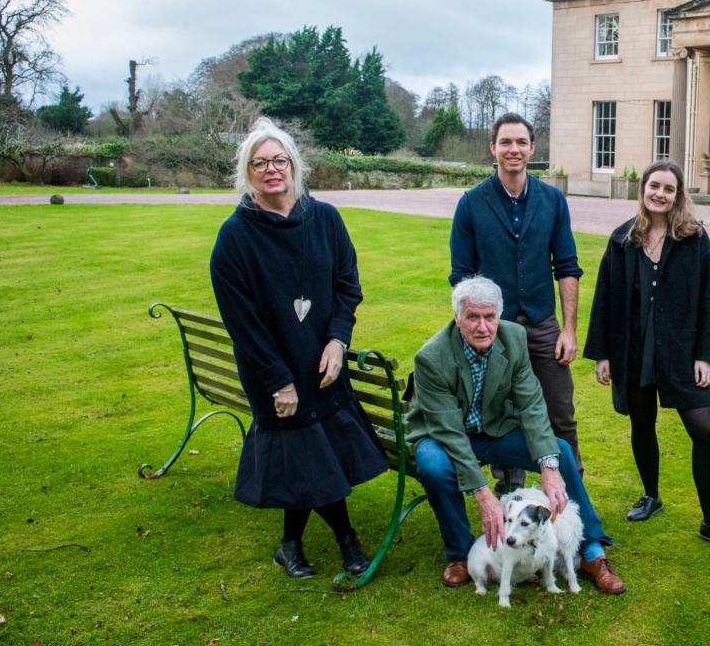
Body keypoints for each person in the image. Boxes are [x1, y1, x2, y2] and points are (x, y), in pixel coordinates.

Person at [210, 117, 387, 579]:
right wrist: (279, 380)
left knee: (315, 453)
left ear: (294, 164)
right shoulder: (235, 239)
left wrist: (337, 338)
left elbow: (348, 286)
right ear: (246, 173)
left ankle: (289, 545)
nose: (272, 169)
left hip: (323, 363)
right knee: (310, 452)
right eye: (260, 163)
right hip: (273, 369)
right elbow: (243, 324)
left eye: (279, 160)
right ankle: (347, 540)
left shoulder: (324, 218)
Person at [409, 276, 626, 594]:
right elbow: (450, 433)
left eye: (490, 317)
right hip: (443, 436)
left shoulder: (514, 337)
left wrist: (548, 467)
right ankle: (460, 553)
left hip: (493, 429)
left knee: (561, 450)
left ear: (499, 316)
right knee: (431, 464)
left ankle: (592, 549)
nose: (482, 326)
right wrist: (484, 496)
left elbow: (531, 403)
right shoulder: (431, 357)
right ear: (457, 318)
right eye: (473, 317)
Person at [584, 160, 710, 553]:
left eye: (668, 189)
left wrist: (706, 356)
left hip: (682, 350)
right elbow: (604, 298)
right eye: (654, 186)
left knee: (705, 429)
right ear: (643, 189)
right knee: (642, 422)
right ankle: (651, 496)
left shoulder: (693, 238)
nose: (660, 193)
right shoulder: (622, 239)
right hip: (634, 348)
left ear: (678, 195)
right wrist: (602, 354)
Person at [448, 113, 585, 482]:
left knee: (560, 411)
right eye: (506, 142)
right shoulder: (472, 203)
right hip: (493, 329)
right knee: (501, 413)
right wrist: (476, 330)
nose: (514, 150)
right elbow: (460, 277)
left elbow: (568, 267)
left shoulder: (552, 201)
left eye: (521, 142)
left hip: (542, 325)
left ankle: (573, 496)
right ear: (492, 148)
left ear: (532, 148)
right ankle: (513, 495)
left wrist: (568, 330)